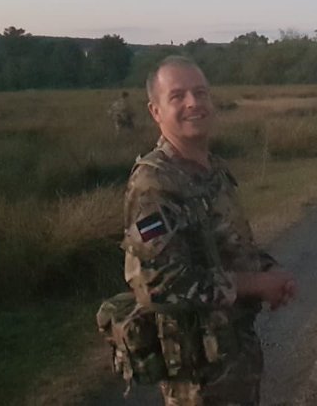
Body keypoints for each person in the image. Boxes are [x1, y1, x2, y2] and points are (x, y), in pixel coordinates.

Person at [121, 56, 296, 405]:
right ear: (156, 111)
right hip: (197, 376)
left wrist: (269, 271)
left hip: (235, 355)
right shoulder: (153, 184)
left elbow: (231, 243)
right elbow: (160, 286)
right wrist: (255, 284)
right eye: (178, 96)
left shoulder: (213, 169)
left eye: (200, 93)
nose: (193, 103)